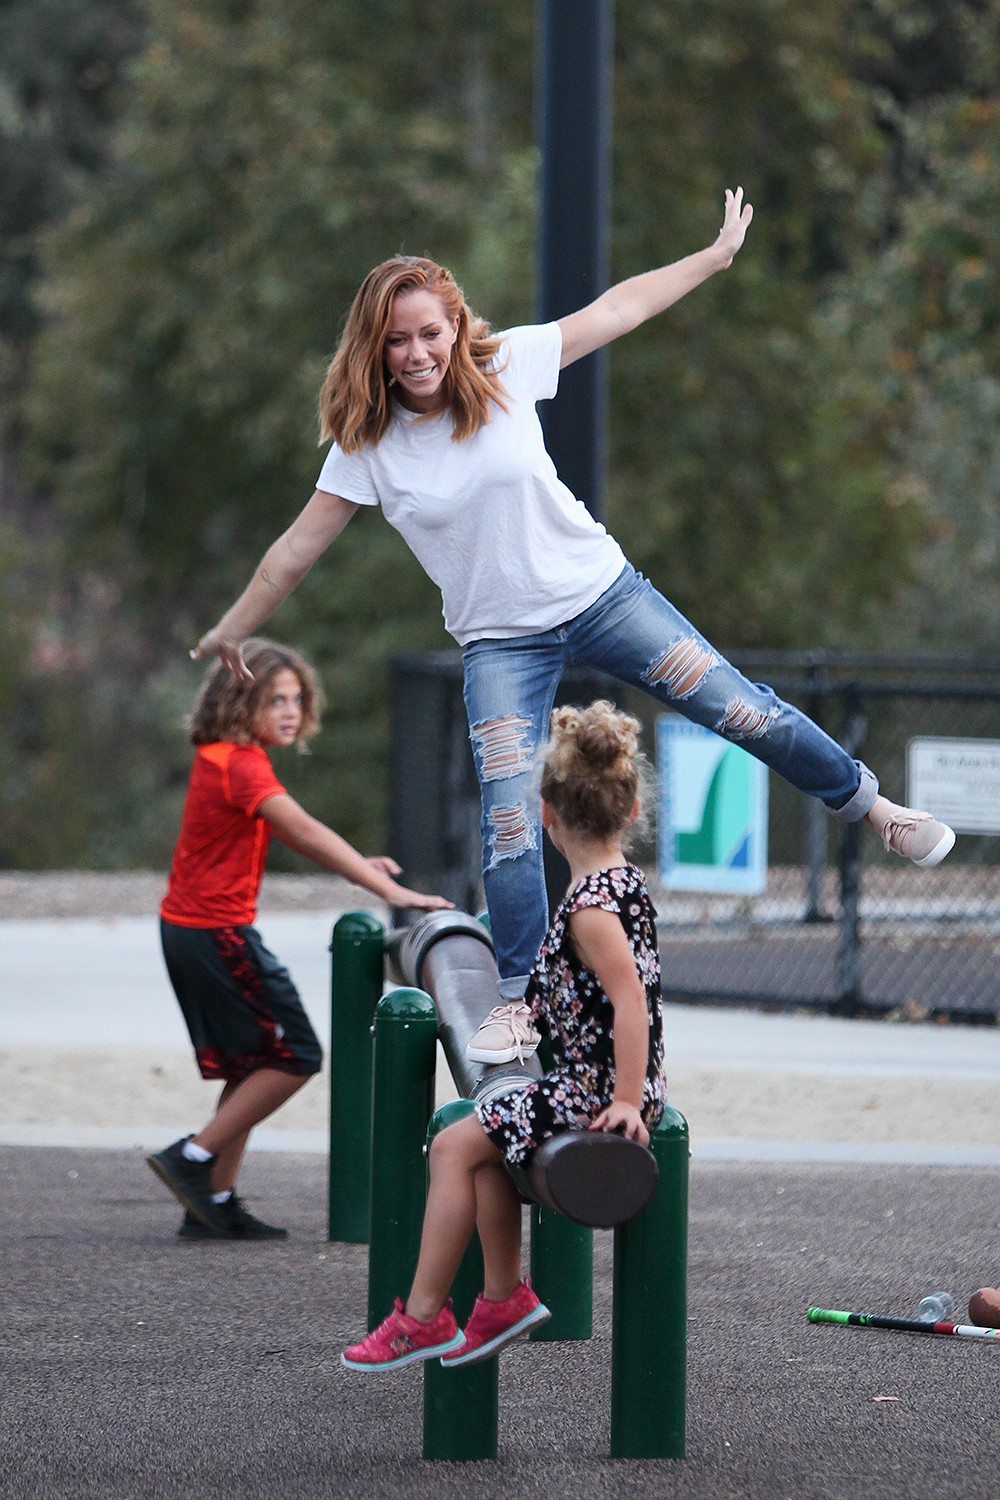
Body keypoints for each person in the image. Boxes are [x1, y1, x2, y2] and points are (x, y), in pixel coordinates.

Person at [190, 188, 955, 1066]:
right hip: (499, 643)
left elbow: (618, 309)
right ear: (375, 348)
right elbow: (294, 551)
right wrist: (233, 630)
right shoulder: (367, 445)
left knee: (740, 709)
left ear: (455, 326)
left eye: (429, 334)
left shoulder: (510, 365)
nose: (415, 354)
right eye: (396, 341)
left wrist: (710, 260)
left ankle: (876, 808)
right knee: (512, 817)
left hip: (602, 594)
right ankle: (519, 998)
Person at [341, 701, 665, 1368]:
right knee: (486, 1136)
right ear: (632, 811)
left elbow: (630, 1003)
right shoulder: (623, 885)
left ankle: (423, 1317)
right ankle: (500, 1298)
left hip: (596, 1093)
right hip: (594, 1083)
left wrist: (628, 1101)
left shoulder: (592, 909)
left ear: (544, 813)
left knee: (452, 1144)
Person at [147, 638, 450, 1240]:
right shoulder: (241, 764)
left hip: (191, 929)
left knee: (254, 1061)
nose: (290, 710)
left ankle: (212, 1201)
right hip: (216, 933)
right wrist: (386, 891)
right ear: (239, 702)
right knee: (296, 1055)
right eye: (274, 699)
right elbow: (305, 832)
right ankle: (193, 1159)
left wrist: (361, 862)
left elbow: (288, 829)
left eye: (296, 698)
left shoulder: (224, 758)